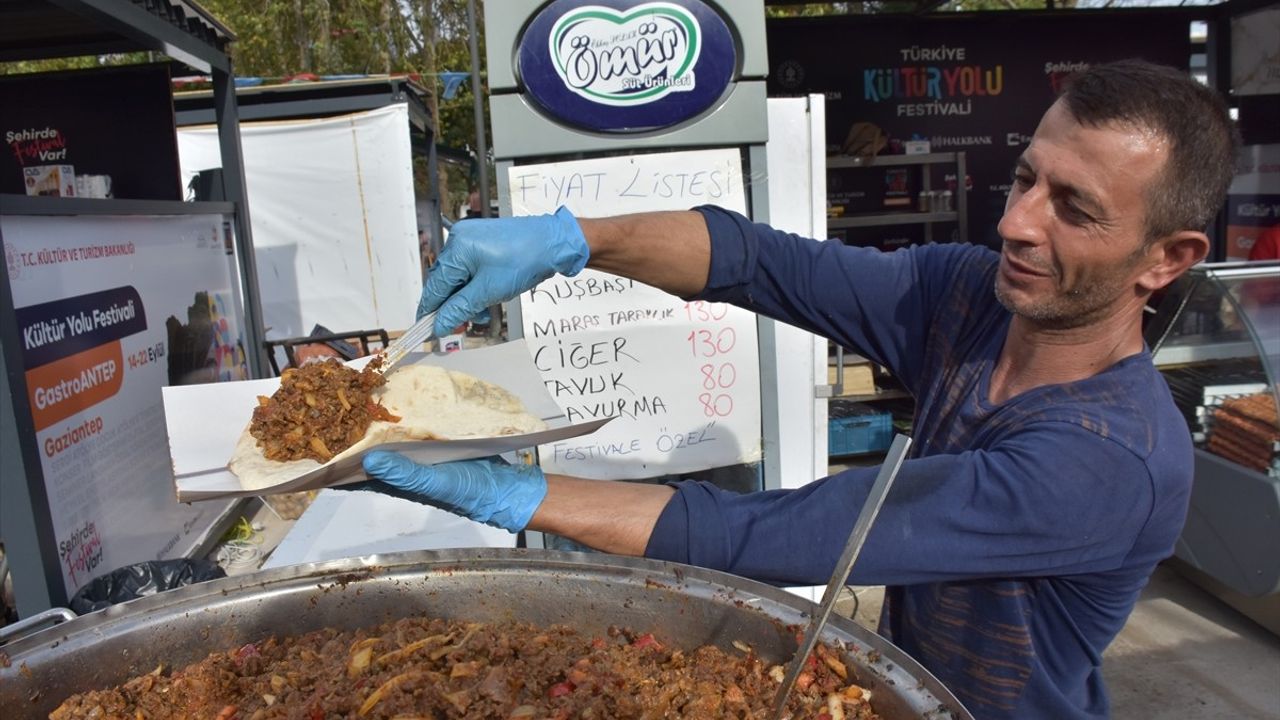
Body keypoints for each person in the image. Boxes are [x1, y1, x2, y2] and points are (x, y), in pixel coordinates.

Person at [359, 60, 1239, 719]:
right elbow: (759, 263)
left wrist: (516, 493)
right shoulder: (967, 296)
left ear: (1168, 259)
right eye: (1024, 179)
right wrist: (573, 238)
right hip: (903, 682)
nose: (1016, 221)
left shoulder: (1111, 458)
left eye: (1074, 209)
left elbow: (783, 533)